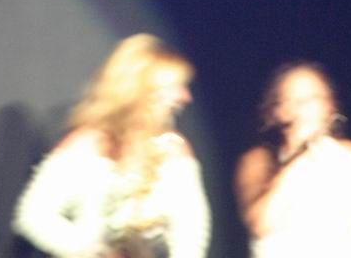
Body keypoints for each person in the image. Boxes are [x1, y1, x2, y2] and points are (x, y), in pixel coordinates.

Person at [12, 34, 211, 258]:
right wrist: (93, 251)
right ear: (143, 87)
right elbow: (34, 214)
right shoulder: (88, 143)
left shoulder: (173, 149)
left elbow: (191, 229)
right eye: (176, 86)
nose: (185, 96)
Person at [235, 61, 351, 258]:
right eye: (292, 100)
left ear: (329, 105)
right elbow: (259, 224)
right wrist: (301, 158)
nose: (302, 107)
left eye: (311, 98)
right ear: (277, 110)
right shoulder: (257, 160)